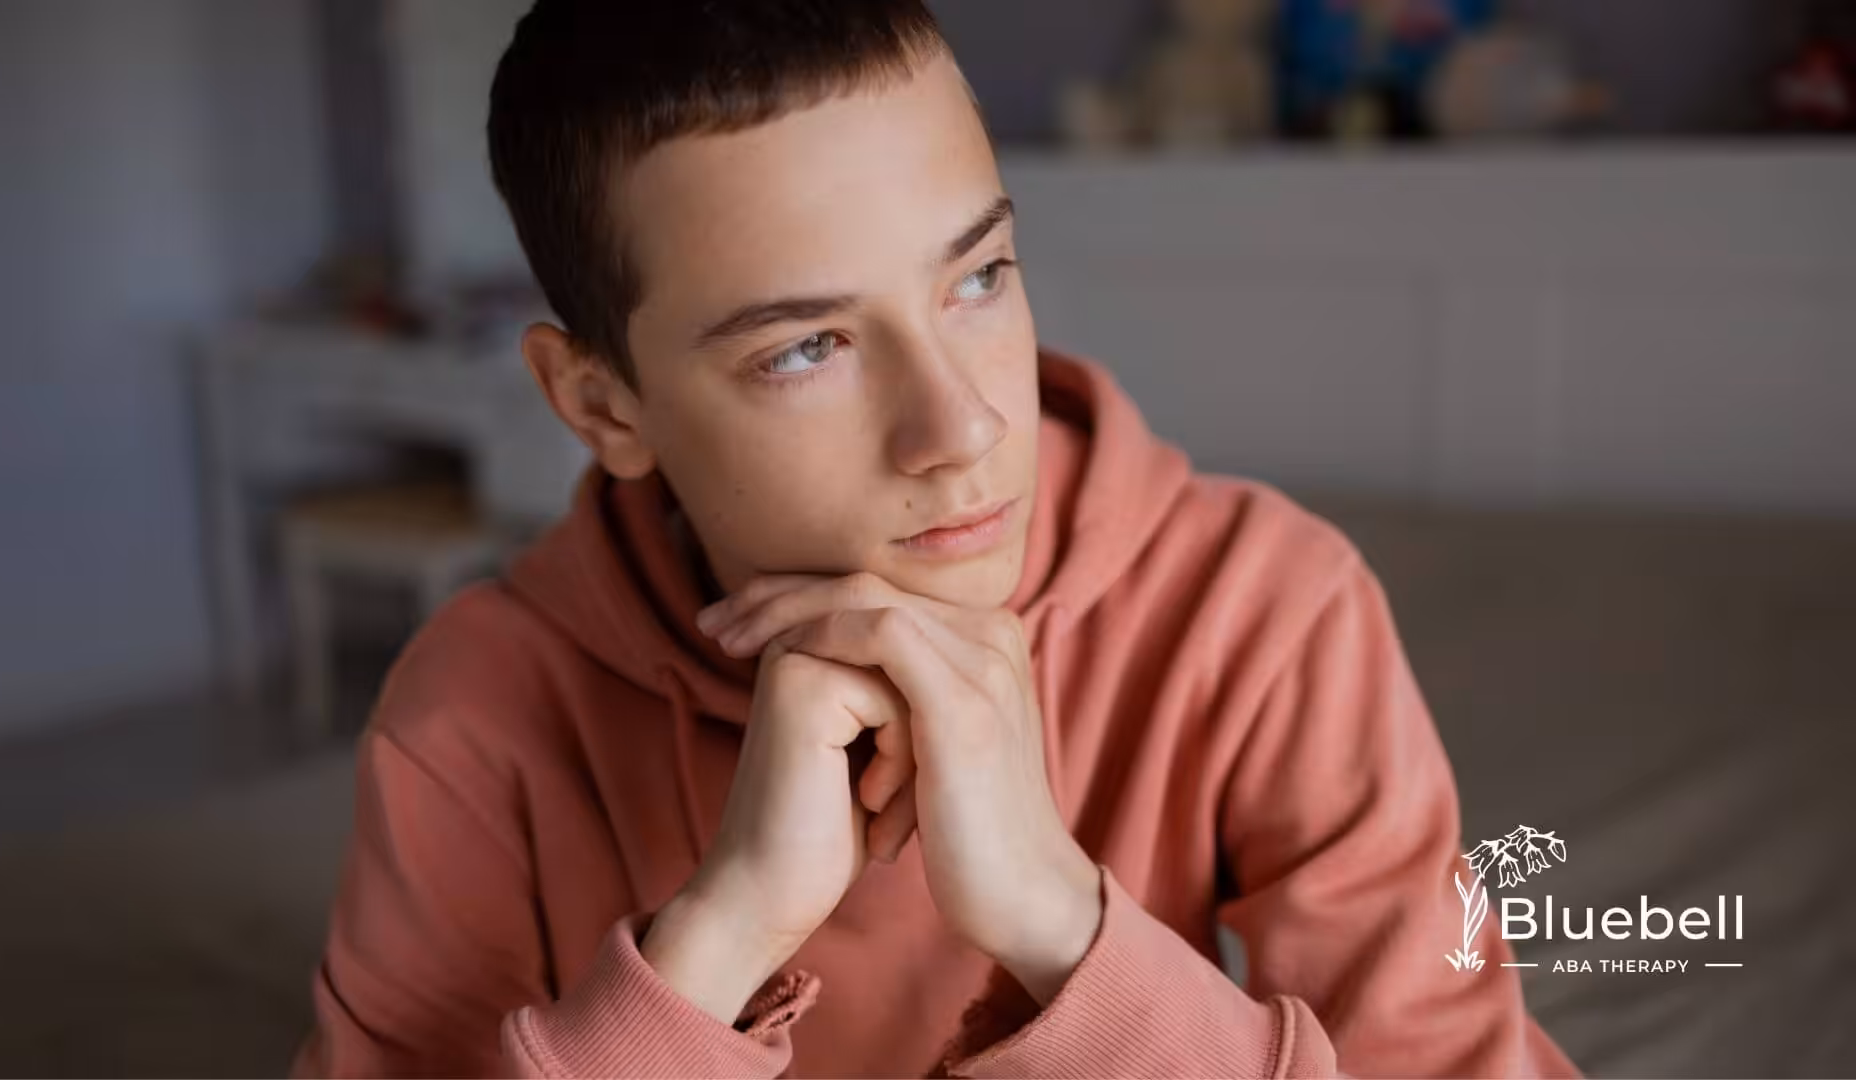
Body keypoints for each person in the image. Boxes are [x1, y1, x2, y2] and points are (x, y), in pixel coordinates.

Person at [293, 2, 1578, 1076]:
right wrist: (721, 933)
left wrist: (1052, 915)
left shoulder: (1267, 609)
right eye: (806, 348)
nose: (961, 426)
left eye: (978, 278)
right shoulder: (473, 709)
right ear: (602, 404)